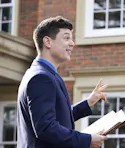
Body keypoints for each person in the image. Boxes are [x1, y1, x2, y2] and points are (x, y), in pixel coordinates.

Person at [17, 16, 107, 148]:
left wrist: (88, 102)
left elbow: (57, 118)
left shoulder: (44, 74)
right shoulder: (41, 77)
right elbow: (46, 128)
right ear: (47, 42)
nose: (72, 43)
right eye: (66, 38)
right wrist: (86, 140)